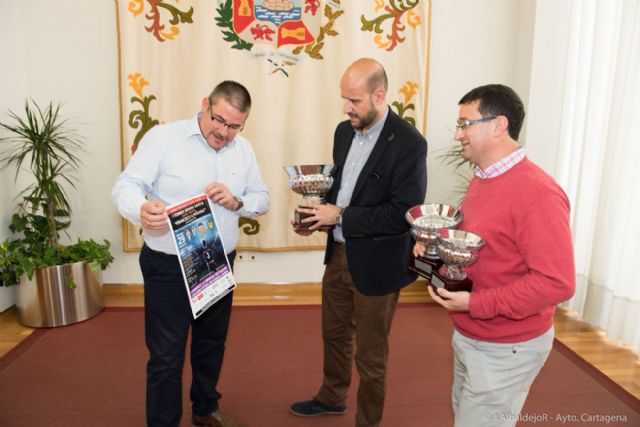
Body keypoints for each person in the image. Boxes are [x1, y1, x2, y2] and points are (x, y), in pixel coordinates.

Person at [414, 84, 575, 427]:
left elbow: (557, 283)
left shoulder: (538, 194)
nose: (458, 135)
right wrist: (434, 251)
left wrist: (476, 305)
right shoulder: (484, 178)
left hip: (506, 346)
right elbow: (481, 248)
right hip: (473, 333)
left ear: (498, 125)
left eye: (464, 124)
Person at [112, 80, 270, 427]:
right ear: (205, 105)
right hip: (168, 263)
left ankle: (205, 407)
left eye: (234, 126)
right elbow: (125, 185)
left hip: (216, 261)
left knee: (211, 342)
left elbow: (263, 199)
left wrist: (238, 201)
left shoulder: (243, 150)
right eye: (219, 120)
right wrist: (139, 208)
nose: (224, 132)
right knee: (166, 355)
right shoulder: (164, 138)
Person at [289, 58, 427, 427]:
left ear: (379, 96)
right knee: (334, 336)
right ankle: (332, 398)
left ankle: (368, 422)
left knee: (371, 355)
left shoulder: (409, 143)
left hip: (379, 265)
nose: (346, 108)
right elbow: (340, 191)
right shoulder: (343, 131)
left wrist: (342, 217)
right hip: (338, 255)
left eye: (354, 101)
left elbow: (404, 212)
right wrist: (316, 218)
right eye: (343, 99)